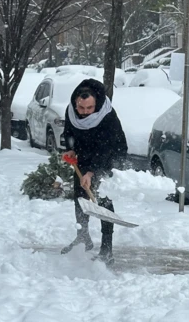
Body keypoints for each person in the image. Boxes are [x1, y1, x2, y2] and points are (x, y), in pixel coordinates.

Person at [60, 78, 127, 265]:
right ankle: (83, 237)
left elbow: (107, 147)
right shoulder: (72, 112)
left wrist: (93, 172)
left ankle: (107, 249)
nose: (84, 113)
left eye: (89, 108)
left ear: (95, 103)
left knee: (103, 200)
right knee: (80, 197)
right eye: (81, 108)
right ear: (76, 103)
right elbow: (69, 132)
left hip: (109, 156)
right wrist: (70, 148)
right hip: (83, 155)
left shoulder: (107, 115)